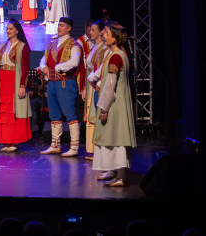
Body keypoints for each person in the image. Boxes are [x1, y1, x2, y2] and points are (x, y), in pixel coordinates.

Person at [92, 22, 137, 187]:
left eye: (107, 33)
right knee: (113, 137)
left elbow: (111, 85)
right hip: (116, 102)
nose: (103, 35)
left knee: (116, 137)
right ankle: (115, 171)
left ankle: (120, 176)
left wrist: (104, 108)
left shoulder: (116, 56)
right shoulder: (116, 54)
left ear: (115, 38)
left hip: (115, 104)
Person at [38, 17, 84, 157]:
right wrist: (44, 67)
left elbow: (75, 61)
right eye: (58, 25)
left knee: (69, 114)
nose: (59, 27)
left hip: (65, 82)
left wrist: (58, 67)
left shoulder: (74, 44)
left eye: (62, 25)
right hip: (52, 83)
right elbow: (43, 59)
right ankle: (55, 145)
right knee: (54, 115)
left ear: (69, 28)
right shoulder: (53, 44)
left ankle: (74, 147)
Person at [0, 19, 32, 152]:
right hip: (3, 81)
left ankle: (14, 142)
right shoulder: (2, 45)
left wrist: (22, 86)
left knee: (14, 110)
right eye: (7, 29)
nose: (7, 31)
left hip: (14, 81)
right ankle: (7, 141)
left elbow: (25, 69)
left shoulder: (22, 47)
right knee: (4, 111)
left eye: (10, 29)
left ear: (17, 31)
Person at [83, 20, 107, 160]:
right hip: (90, 86)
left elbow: (101, 69)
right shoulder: (93, 47)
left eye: (93, 30)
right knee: (91, 117)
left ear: (100, 32)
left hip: (97, 85)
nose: (90, 32)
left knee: (97, 116)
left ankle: (100, 150)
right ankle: (93, 149)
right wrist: (85, 88)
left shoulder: (104, 48)